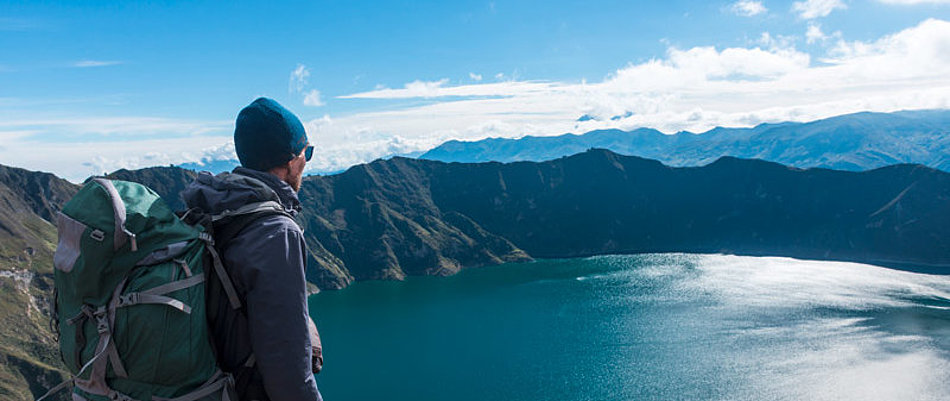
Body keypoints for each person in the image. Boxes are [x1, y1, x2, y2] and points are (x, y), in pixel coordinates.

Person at [181, 97, 323, 401]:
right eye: (306, 152)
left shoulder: (207, 207)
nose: (307, 162)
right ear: (289, 160)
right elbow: (288, 366)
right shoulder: (276, 233)